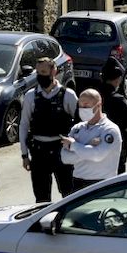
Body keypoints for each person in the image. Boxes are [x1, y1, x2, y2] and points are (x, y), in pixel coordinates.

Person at [19, 57, 79, 203]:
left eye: (44, 72)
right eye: (38, 72)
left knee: (69, 194)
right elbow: (24, 124)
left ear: (54, 71)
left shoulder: (68, 95)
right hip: (39, 152)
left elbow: (79, 124)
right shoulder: (30, 96)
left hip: (62, 151)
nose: (41, 76)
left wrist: (79, 149)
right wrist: (24, 155)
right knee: (41, 198)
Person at [60, 89, 123, 191]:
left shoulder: (109, 130)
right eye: (80, 106)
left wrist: (74, 146)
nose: (82, 109)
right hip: (78, 183)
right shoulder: (77, 129)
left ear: (98, 105)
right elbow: (65, 158)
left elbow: (97, 155)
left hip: (101, 183)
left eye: (86, 106)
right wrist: (88, 146)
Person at [98, 58, 127, 174]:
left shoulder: (92, 98)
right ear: (118, 79)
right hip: (116, 149)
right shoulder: (119, 100)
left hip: (94, 150)